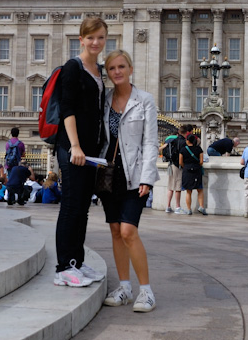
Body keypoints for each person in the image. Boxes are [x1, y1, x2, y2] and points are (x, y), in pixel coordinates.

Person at [99, 49, 160, 312]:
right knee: (114, 231)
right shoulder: (105, 100)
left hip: (135, 175)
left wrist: (148, 177)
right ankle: (124, 287)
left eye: (121, 67)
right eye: (112, 68)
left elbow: (150, 142)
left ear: (130, 69)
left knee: (128, 231)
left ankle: (146, 291)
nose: (117, 72)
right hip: (109, 174)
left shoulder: (144, 100)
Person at [53, 17, 108, 288]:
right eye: (91, 38)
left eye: (100, 37)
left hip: (90, 152)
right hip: (72, 148)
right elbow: (68, 109)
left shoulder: (98, 70)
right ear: (81, 39)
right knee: (71, 208)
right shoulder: (73, 67)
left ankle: (77, 260)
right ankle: (63, 267)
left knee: (83, 210)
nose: (96, 42)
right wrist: (75, 145)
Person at [163, 124, 191, 214]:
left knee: (170, 187)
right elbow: (183, 155)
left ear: (179, 132)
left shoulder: (172, 140)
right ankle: (178, 207)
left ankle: (168, 206)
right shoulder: (183, 142)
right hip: (177, 166)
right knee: (177, 187)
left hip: (170, 164)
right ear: (186, 133)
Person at [179, 133, 207, 215]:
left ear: (187, 140)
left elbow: (180, 162)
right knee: (200, 189)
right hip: (196, 170)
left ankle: (188, 209)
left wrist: (186, 166)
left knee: (188, 191)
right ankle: (201, 207)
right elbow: (201, 162)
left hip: (187, 171)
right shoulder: (199, 149)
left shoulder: (183, 150)